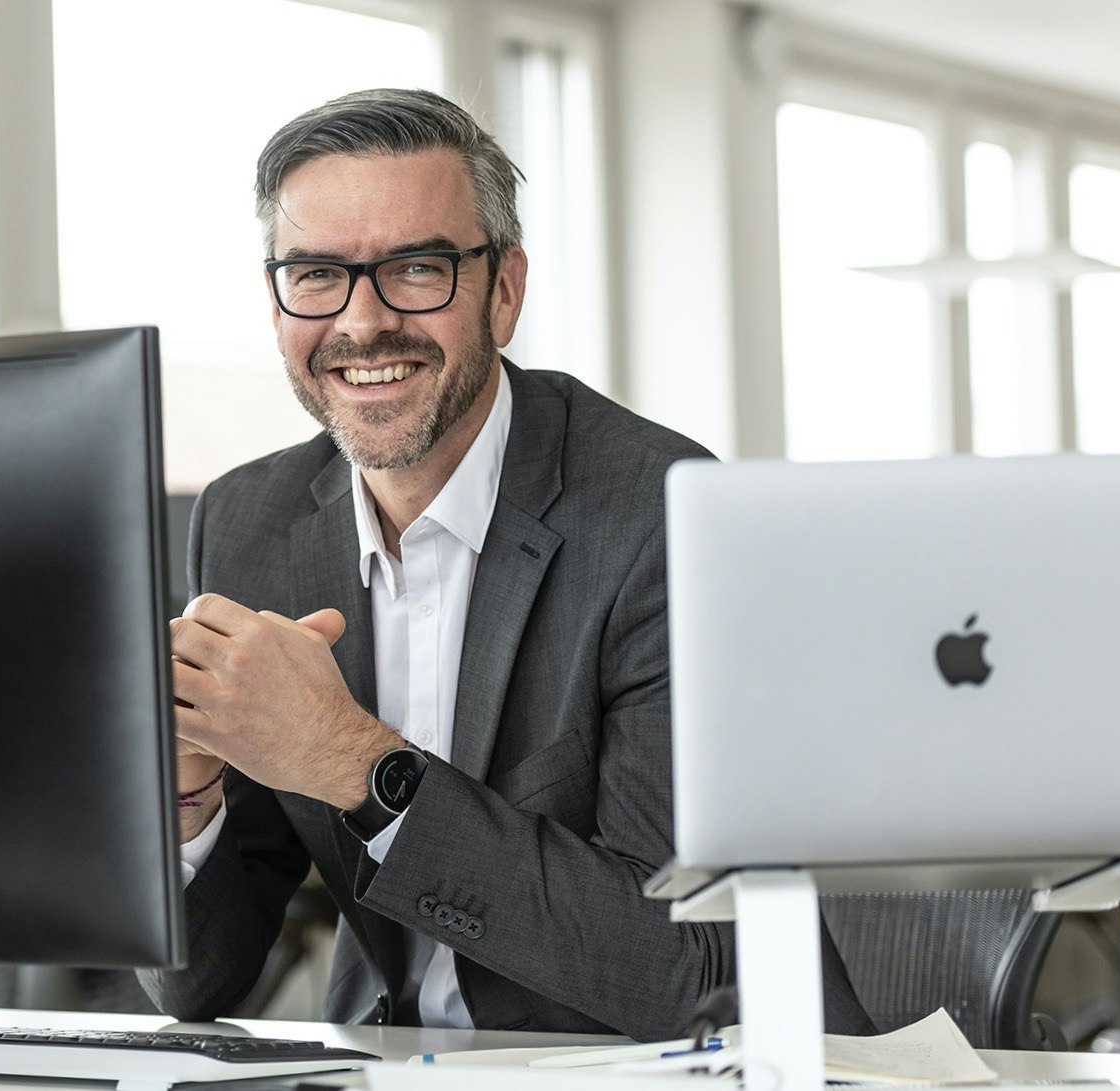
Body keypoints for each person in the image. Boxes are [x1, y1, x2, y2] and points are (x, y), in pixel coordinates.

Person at [140, 88, 868, 1040]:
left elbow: (683, 971)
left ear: (506, 290)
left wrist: (352, 762)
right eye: (317, 274)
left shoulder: (667, 511)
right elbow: (199, 989)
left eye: (416, 268)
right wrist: (191, 801)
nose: (361, 324)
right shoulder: (250, 521)